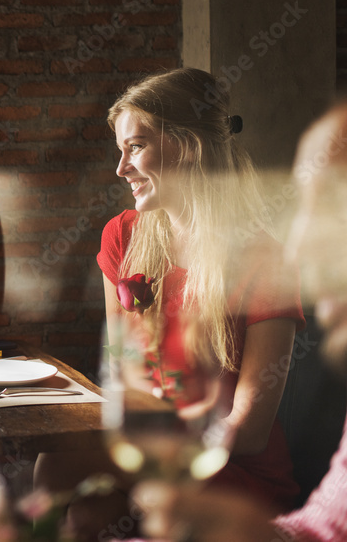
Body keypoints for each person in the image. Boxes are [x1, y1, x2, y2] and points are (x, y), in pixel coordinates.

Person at [36, 68, 304, 539]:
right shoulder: (122, 235)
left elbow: (251, 430)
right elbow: (121, 370)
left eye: (135, 147)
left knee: (64, 472)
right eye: (120, 150)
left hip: (230, 474)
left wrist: (147, 442)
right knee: (75, 500)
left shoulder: (263, 258)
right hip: (152, 456)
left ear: (189, 145)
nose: (121, 168)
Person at [133, 102, 347, 542]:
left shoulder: (255, 258)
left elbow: (246, 429)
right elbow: (323, 529)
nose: (299, 247)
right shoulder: (133, 235)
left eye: (336, 206)